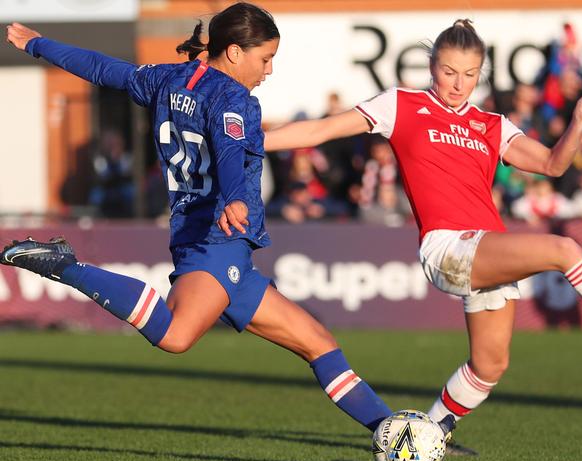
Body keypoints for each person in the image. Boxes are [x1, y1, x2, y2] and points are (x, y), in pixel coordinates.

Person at [2, 4, 396, 435]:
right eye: (265, 59)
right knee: (174, 335)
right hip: (218, 237)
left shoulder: (167, 78)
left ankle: (396, 431)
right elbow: (228, 151)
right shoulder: (234, 98)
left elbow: (101, 68)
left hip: (212, 242)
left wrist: (38, 45)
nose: (268, 70)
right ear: (233, 52)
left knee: (320, 344)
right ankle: (63, 264)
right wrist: (232, 198)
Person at [263, 19, 582, 454]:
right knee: (563, 249)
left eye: (469, 74)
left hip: (484, 248)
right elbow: (321, 130)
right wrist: (255, 142)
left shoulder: (491, 124)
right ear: (431, 65)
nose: (458, 83)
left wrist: (579, 119)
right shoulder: (401, 104)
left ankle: (427, 435)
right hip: (447, 247)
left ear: (481, 73)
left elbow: (554, 166)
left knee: (489, 365)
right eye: (448, 71)